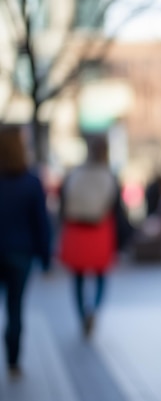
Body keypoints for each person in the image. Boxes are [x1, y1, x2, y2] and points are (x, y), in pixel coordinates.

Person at [57, 135, 130, 337]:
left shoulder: (74, 173)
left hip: (76, 230)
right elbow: (118, 210)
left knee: (78, 277)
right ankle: (94, 309)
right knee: (100, 275)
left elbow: (61, 203)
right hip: (101, 231)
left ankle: (82, 314)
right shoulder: (110, 176)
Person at [0, 126, 51, 378]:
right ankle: (13, 361)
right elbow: (41, 223)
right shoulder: (31, 181)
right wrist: (46, 258)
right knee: (15, 308)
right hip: (20, 254)